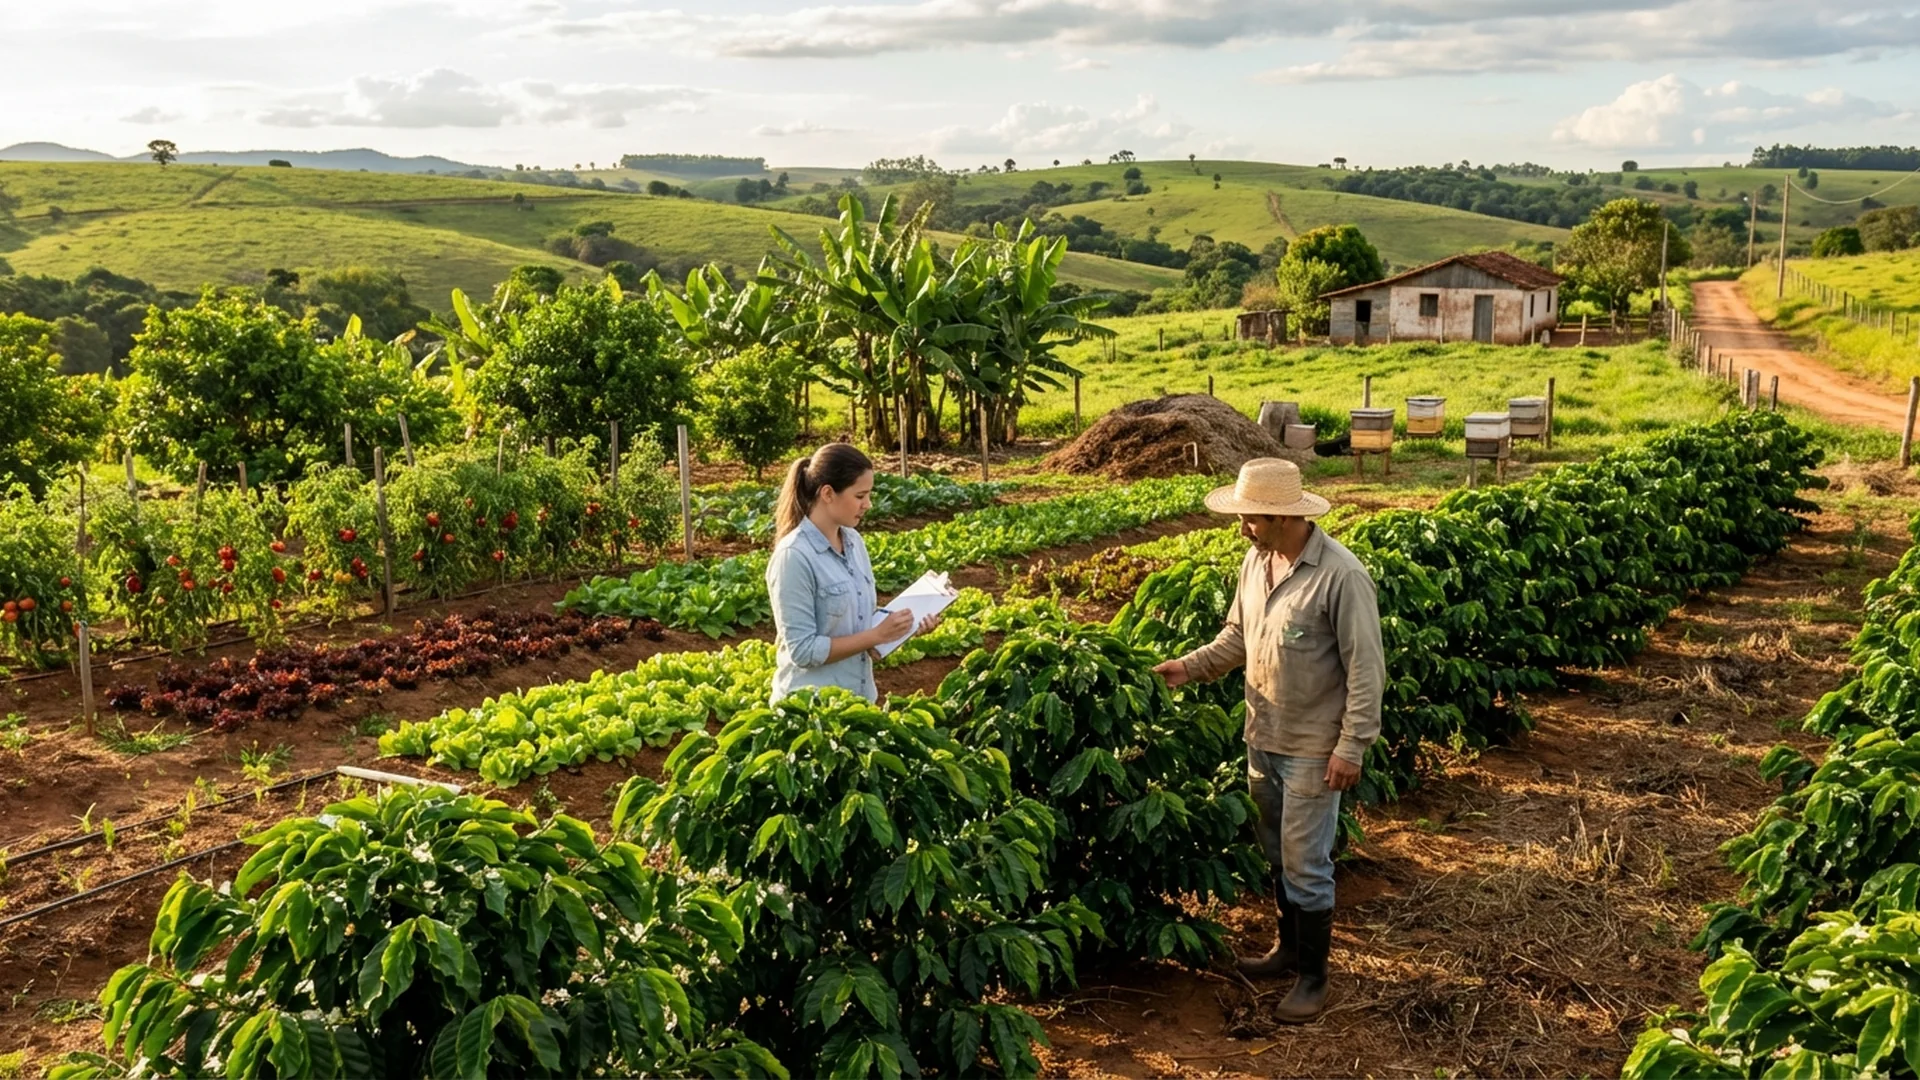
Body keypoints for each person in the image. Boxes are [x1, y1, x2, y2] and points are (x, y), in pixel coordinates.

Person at [1152, 457, 1384, 1023]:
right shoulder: (1256, 563)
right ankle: (1287, 950)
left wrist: (1352, 746)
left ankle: (1313, 978)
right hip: (1262, 734)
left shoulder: (1341, 575)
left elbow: (1366, 670)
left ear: (1282, 516)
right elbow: (1239, 636)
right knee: (1278, 855)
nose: (1243, 528)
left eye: (1250, 518)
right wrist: (1189, 666)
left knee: (1307, 864)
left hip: (1313, 747)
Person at [765, 444, 939, 704]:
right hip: (809, 711)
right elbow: (803, 650)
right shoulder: (794, 556)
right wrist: (877, 635)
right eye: (860, 496)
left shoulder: (854, 542)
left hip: (857, 703)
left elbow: (858, 624)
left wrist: (906, 625)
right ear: (827, 493)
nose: (867, 504)